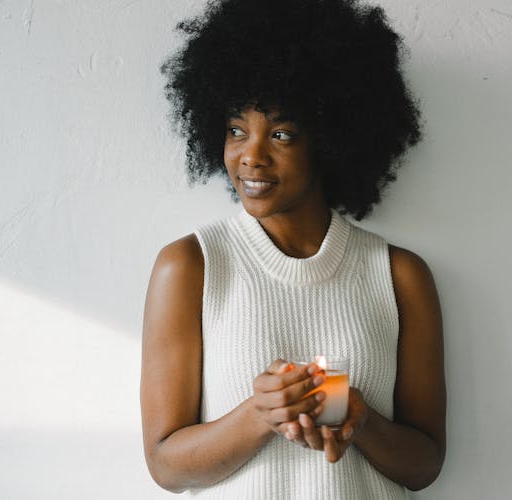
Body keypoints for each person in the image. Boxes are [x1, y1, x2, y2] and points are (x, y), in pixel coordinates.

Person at [140, 0, 445, 497]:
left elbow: (425, 465)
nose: (251, 156)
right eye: (237, 130)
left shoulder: (400, 275)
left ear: (331, 141)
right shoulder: (191, 266)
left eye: (281, 134)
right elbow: (167, 467)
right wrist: (258, 415)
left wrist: (360, 420)